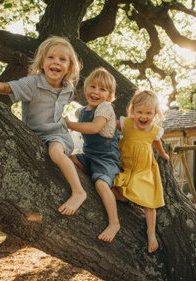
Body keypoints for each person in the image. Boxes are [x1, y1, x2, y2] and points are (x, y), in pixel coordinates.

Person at [0, 35, 87, 217]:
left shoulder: (68, 89)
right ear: (42, 62)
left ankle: (79, 191)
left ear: (70, 67)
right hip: (34, 136)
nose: (56, 62)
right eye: (51, 57)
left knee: (56, 153)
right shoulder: (33, 83)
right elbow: (9, 87)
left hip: (57, 135)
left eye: (62, 59)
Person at [64, 67, 121, 242]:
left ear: (109, 96)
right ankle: (77, 191)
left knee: (101, 184)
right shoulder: (81, 112)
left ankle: (114, 223)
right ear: (86, 88)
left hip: (106, 158)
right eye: (93, 87)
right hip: (89, 156)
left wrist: (70, 125)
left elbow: (94, 127)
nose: (96, 92)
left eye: (102, 89)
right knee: (68, 159)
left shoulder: (105, 108)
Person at [112, 89, 169, 253]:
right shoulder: (126, 123)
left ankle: (151, 234)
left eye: (148, 113)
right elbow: (107, 124)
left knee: (149, 203)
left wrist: (163, 154)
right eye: (139, 112)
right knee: (110, 185)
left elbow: (157, 142)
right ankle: (125, 199)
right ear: (133, 111)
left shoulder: (154, 130)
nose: (143, 116)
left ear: (155, 113)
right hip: (124, 167)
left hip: (143, 171)